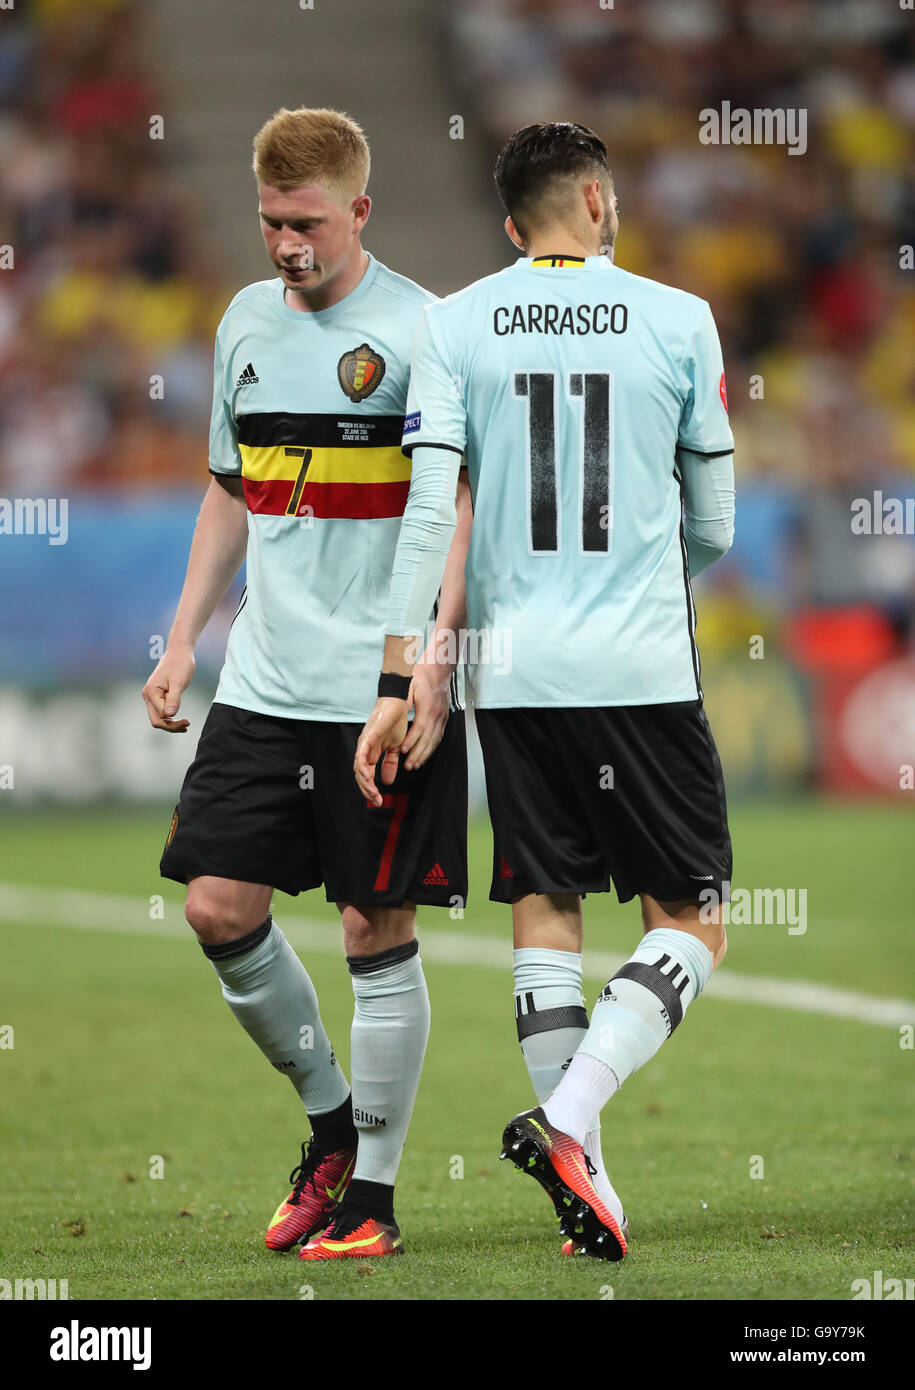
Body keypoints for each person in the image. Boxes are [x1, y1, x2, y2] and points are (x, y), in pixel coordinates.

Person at [355, 121, 735, 1261]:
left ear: (513, 225)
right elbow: (712, 525)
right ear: (600, 200)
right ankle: (569, 1126)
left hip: (509, 676)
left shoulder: (453, 321)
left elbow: (431, 519)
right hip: (640, 671)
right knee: (696, 915)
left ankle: (591, 1189)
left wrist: (399, 671)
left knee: (547, 905)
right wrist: (646, 582)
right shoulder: (679, 319)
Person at [144, 106, 471, 1262]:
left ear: (360, 212)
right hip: (265, 683)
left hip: (382, 689)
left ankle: (373, 1199)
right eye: (274, 223)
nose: (288, 245)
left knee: (374, 929)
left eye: (309, 224)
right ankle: (331, 1124)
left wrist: (431, 656)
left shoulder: (428, 329)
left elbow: (455, 510)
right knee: (216, 908)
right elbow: (231, 489)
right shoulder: (241, 322)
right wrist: (182, 638)